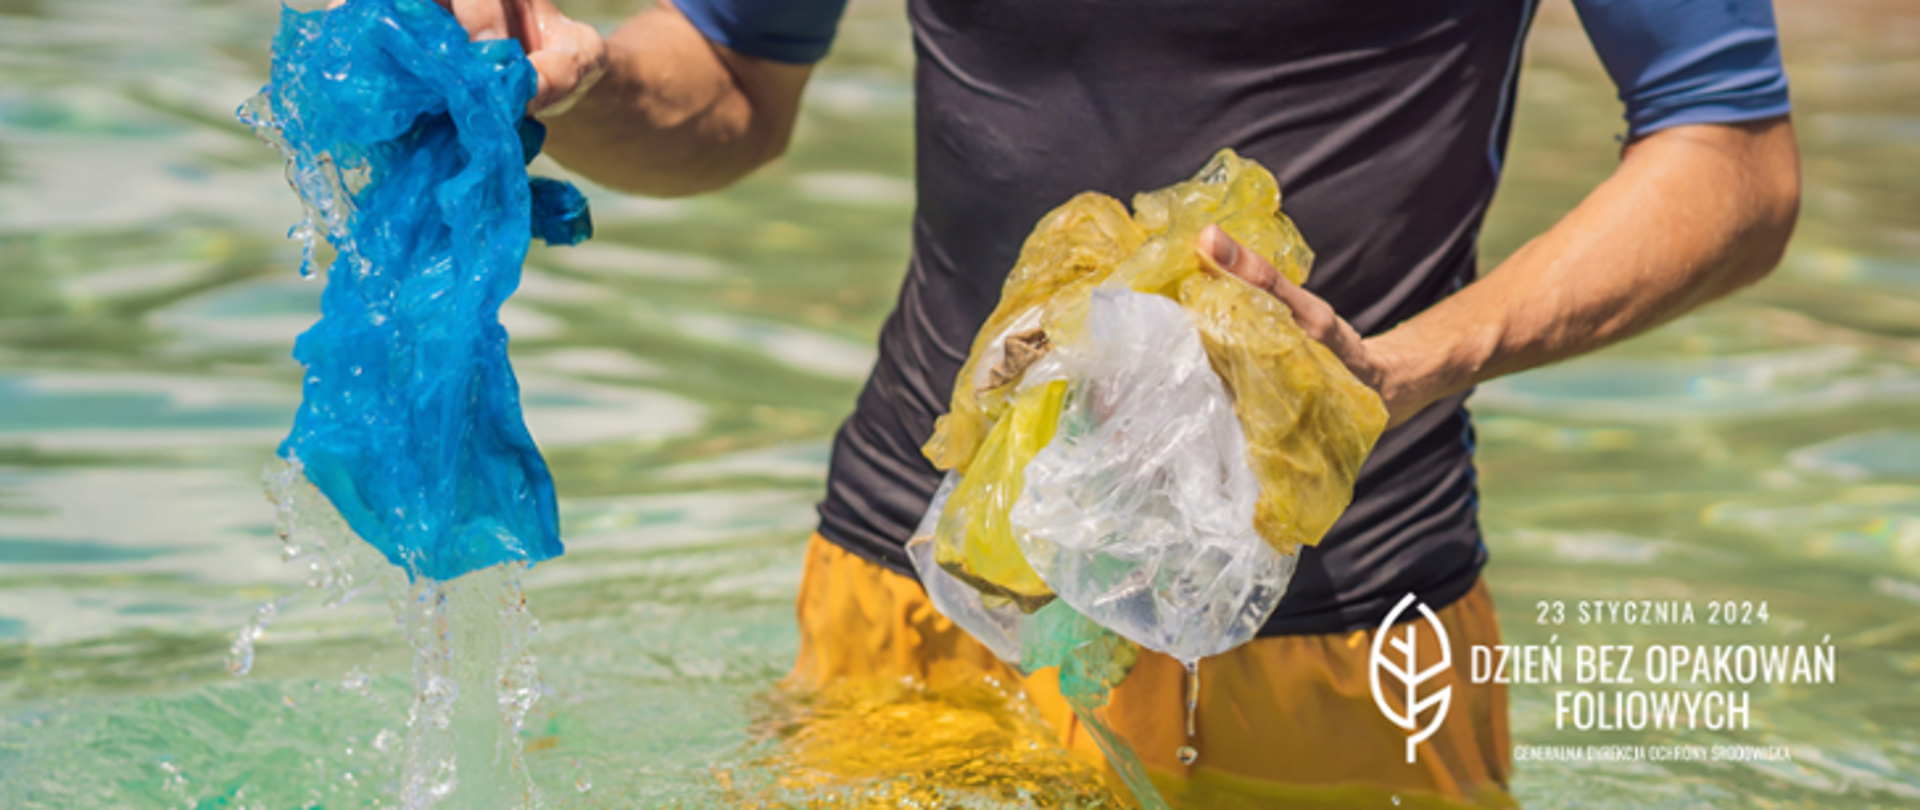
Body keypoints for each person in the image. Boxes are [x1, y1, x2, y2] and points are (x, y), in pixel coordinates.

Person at [423, 0, 1800, 804]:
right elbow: (732, 77)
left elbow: (1732, 156)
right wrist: (569, 76)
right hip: (923, 589)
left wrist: (1394, 365)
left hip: (1340, 627)